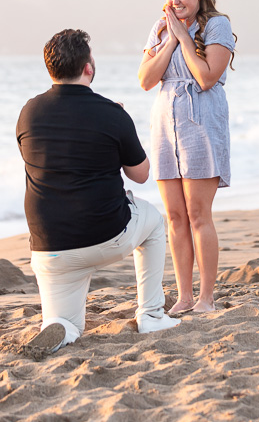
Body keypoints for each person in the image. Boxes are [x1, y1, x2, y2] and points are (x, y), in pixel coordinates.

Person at [17, 29, 179, 354]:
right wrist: (118, 127)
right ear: (89, 67)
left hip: (51, 247)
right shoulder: (112, 113)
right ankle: (151, 314)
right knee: (154, 222)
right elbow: (141, 175)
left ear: (50, 69)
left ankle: (59, 328)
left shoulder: (28, 113)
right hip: (105, 235)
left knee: (65, 324)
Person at [138, 0, 236, 314]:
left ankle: (206, 297)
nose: (174, 0)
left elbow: (207, 76)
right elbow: (146, 80)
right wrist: (168, 40)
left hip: (201, 122)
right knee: (175, 217)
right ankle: (183, 296)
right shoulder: (160, 27)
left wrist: (182, 36)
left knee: (197, 214)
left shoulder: (216, 25)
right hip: (165, 124)